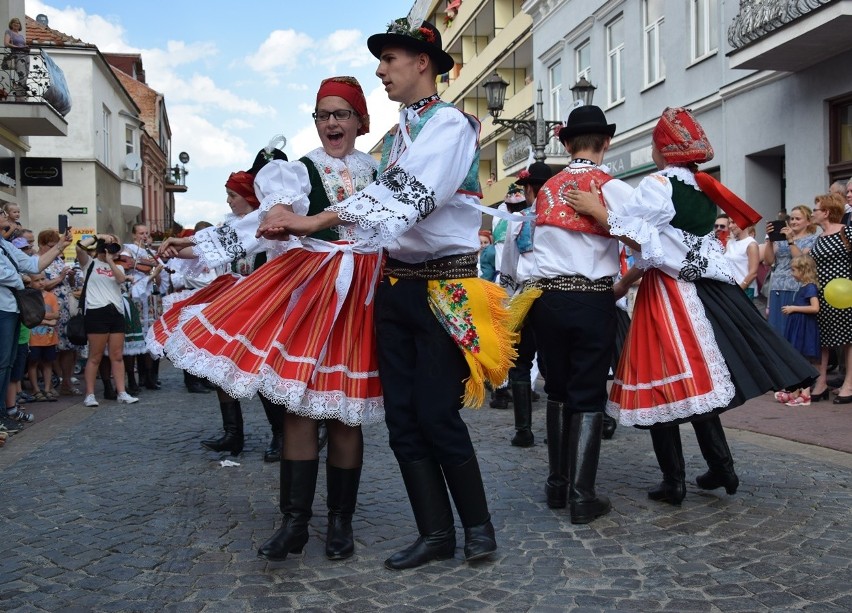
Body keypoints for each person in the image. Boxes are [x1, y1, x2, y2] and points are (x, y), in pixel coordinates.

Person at [258, 20, 515, 570]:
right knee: (402, 418)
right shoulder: (397, 138)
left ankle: (478, 527)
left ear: (422, 62)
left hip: (445, 287)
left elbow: (407, 195)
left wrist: (314, 221)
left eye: (390, 59)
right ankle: (435, 532)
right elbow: (377, 208)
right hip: (397, 287)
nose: (381, 70)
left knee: (437, 414)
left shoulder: (450, 125)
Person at [156, 76, 383, 561]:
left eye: (341, 113)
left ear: (361, 121)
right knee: (299, 407)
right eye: (322, 115)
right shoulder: (299, 171)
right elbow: (260, 226)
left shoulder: (384, 171)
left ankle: (340, 523)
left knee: (347, 414)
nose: (330, 123)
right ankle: (295, 523)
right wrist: (195, 244)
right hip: (313, 291)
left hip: (365, 291)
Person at [570, 107, 816, 506]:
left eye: (653, 143)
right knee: (696, 384)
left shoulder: (659, 184)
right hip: (703, 291)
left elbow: (643, 241)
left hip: (669, 294)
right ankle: (721, 466)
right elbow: (668, 246)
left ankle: (674, 480)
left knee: (661, 381)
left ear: (663, 150)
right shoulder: (701, 188)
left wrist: (598, 212)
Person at [516, 105, 634, 524]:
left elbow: (524, 254)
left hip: (547, 298)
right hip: (591, 297)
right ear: (607, 143)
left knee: (557, 389)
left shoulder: (546, 189)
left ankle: (556, 485)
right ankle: (582, 495)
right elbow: (647, 241)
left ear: (565, 145)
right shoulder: (610, 187)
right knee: (587, 392)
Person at [152, 159, 288, 462]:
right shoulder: (229, 225)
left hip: (264, 303)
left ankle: (281, 434)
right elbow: (205, 247)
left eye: (233, 195)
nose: (228, 200)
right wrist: (176, 247)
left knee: (263, 372)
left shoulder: (269, 220)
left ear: (249, 197)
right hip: (234, 302)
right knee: (220, 369)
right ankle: (232, 433)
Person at [0, 215, 72, 428]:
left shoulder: (4, 245)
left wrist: (60, 246)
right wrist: (22, 279)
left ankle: (4, 413)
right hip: (2, 309)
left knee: (8, 363)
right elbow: (11, 275)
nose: (6, 218)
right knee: (2, 363)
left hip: (12, 308)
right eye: (2, 215)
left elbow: (33, 264)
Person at [501, 163, 551, 447]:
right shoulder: (559, 217)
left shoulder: (518, 220)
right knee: (553, 363)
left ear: (529, 189)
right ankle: (557, 428)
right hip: (554, 295)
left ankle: (524, 430)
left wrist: (507, 295)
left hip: (524, 295)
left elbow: (509, 261)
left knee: (520, 362)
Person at [75, 235, 138, 407]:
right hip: (96, 311)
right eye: (110, 247)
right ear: (101, 248)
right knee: (95, 356)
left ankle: (122, 392)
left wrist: (111, 261)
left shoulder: (118, 267)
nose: (113, 251)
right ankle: (89, 394)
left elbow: (119, 279)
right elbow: (79, 247)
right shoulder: (89, 263)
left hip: (116, 311)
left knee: (117, 356)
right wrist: (97, 237)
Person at [809, 193, 852, 404]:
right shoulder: (819, 237)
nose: (813, 213)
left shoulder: (847, 232)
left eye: (816, 209)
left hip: (844, 293)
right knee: (823, 339)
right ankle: (822, 381)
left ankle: (849, 384)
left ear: (826, 212)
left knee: (848, 340)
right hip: (822, 293)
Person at [38, 229, 82, 397]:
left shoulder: (57, 260)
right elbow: (43, 285)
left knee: (68, 346)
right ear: (41, 244)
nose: (54, 248)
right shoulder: (38, 261)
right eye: (51, 245)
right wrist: (60, 277)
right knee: (51, 347)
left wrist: (70, 277)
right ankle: (56, 382)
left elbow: (71, 284)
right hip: (50, 309)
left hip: (65, 309)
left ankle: (67, 380)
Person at [123, 224, 167, 392]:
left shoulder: (151, 254)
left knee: (151, 337)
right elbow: (127, 267)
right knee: (138, 336)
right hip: (137, 298)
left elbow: (160, 282)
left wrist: (156, 275)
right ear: (134, 235)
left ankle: (150, 375)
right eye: (141, 233)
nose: (144, 236)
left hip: (151, 299)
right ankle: (139, 377)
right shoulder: (128, 251)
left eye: (146, 233)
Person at [763, 205, 819, 335]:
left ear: (808, 221)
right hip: (777, 286)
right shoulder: (780, 239)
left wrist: (791, 241)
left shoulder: (813, 239)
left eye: (798, 219)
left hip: (797, 287)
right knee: (776, 328)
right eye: (792, 219)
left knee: (792, 328)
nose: (793, 222)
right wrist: (770, 241)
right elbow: (768, 261)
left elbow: (801, 262)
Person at [775, 255, 821, 406]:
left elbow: (815, 308)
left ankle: (805, 393)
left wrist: (794, 308)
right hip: (798, 325)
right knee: (797, 358)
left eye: (794, 270)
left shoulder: (810, 287)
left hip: (804, 327)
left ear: (804, 270)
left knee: (802, 360)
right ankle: (796, 391)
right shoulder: (803, 287)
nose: (791, 273)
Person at [25, 273, 59, 403]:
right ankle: (35, 389)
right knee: (33, 362)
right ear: (31, 283)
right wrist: (47, 321)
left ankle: (47, 388)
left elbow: (56, 315)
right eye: (37, 280)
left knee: (47, 363)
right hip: (33, 338)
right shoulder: (29, 298)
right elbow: (30, 317)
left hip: (49, 338)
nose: (41, 282)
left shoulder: (51, 296)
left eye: (43, 279)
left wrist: (41, 317)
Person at [725, 220, 759, 299]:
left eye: (733, 222)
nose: (730, 226)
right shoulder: (730, 243)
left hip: (746, 290)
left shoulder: (751, 244)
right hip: (730, 289)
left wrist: (740, 289)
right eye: (729, 223)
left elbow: (753, 273)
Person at [3, 18, 30, 100]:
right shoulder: (9, 32)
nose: (16, 24)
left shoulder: (21, 36)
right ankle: (19, 95)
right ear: (11, 24)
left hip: (25, 55)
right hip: (17, 55)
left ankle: (20, 93)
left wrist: (27, 48)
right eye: (14, 23)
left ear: (20, 25)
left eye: (18, 23)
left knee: (26, 74)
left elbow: (24, 45)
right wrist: (18, 47)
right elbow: (6, 43)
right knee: (22, 74)